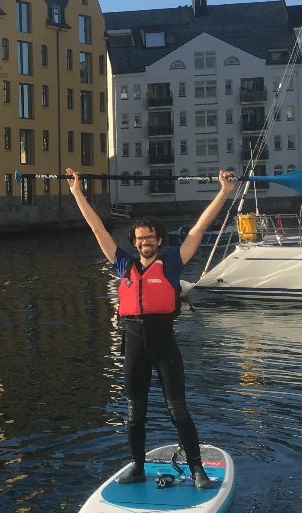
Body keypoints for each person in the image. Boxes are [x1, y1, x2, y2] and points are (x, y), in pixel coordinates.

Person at [66, 169, 237, 489]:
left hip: (164, 347)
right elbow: (97, 228)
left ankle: (197, 468)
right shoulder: (123, 264)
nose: (145, 242)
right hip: (133, 347)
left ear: (158, 241)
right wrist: (77, 193)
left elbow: (199, 229)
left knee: (178, 411)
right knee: (135, 413)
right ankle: (137, 465)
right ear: (135, 242)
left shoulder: (171, 264)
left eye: (150, 238)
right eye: (139, 238)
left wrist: (223, 192)